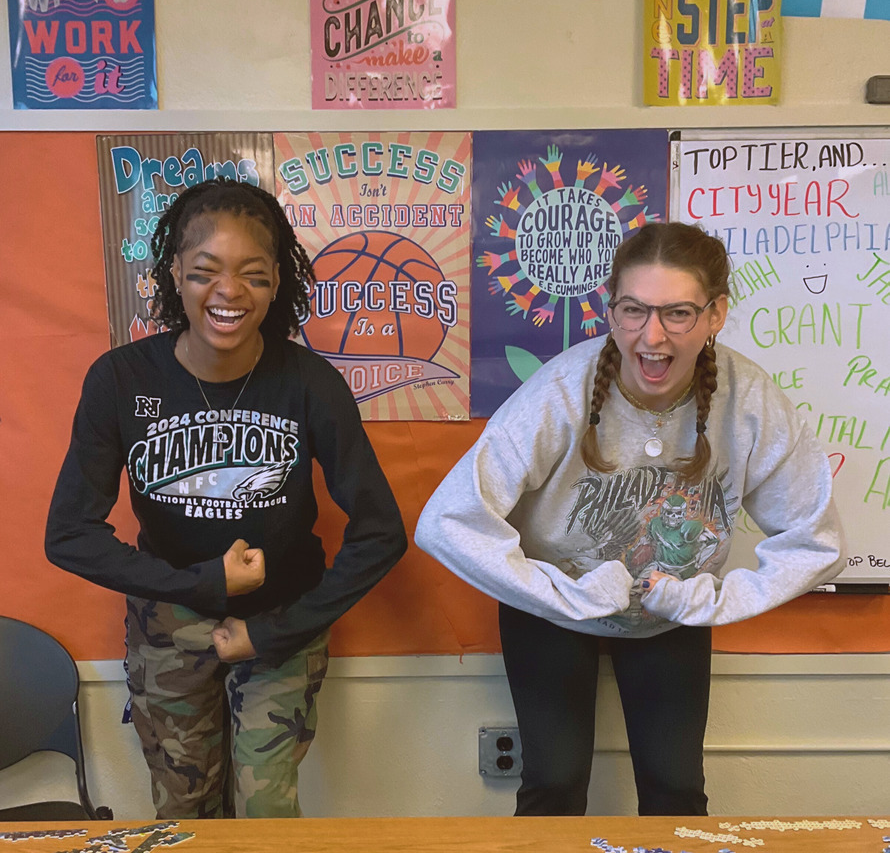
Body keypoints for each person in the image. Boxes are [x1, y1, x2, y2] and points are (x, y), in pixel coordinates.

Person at [415, 221, 844, 817]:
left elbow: (814, 540)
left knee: (676, 789)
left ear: (716, 314)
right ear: (610, 309)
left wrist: (714, 600)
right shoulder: (561, 390)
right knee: (554, 782)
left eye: (678, 313)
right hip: (552, 611)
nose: (652, 335)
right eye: (634, 310)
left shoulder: (749, 399)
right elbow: (446, 521)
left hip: (671, 618)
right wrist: (560, 593)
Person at [46, 178, 407, 819]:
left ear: (277, 282)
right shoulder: (121, 379)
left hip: (283, 624)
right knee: (184, 812)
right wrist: (204, 583)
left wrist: (272, 630)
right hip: (169, 621)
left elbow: (382, 532)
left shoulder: (310, 383)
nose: (229, 291)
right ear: (174, 273)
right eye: (205, 271)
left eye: (253, 274)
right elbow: (69, 534)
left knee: (266, 812)